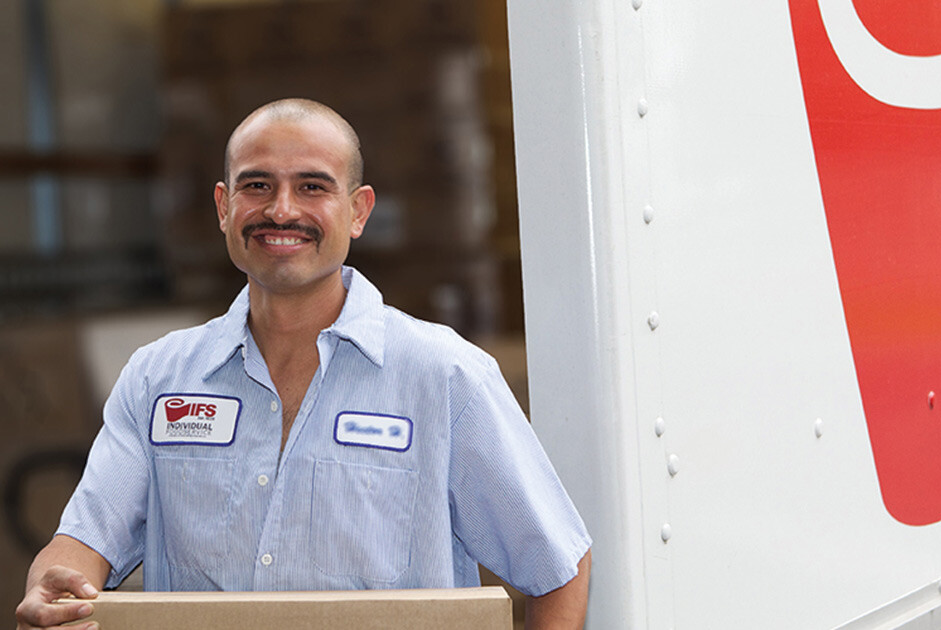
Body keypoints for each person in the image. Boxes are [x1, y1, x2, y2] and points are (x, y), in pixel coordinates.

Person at [16, 98, 592, 630]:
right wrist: (52, 586)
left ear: (358, 210)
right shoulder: (157, 380)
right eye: (257, 185)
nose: (281, 210)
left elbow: (558, 568)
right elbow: (81, 544)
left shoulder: (446, 378)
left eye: (312, 186)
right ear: (223, 207)